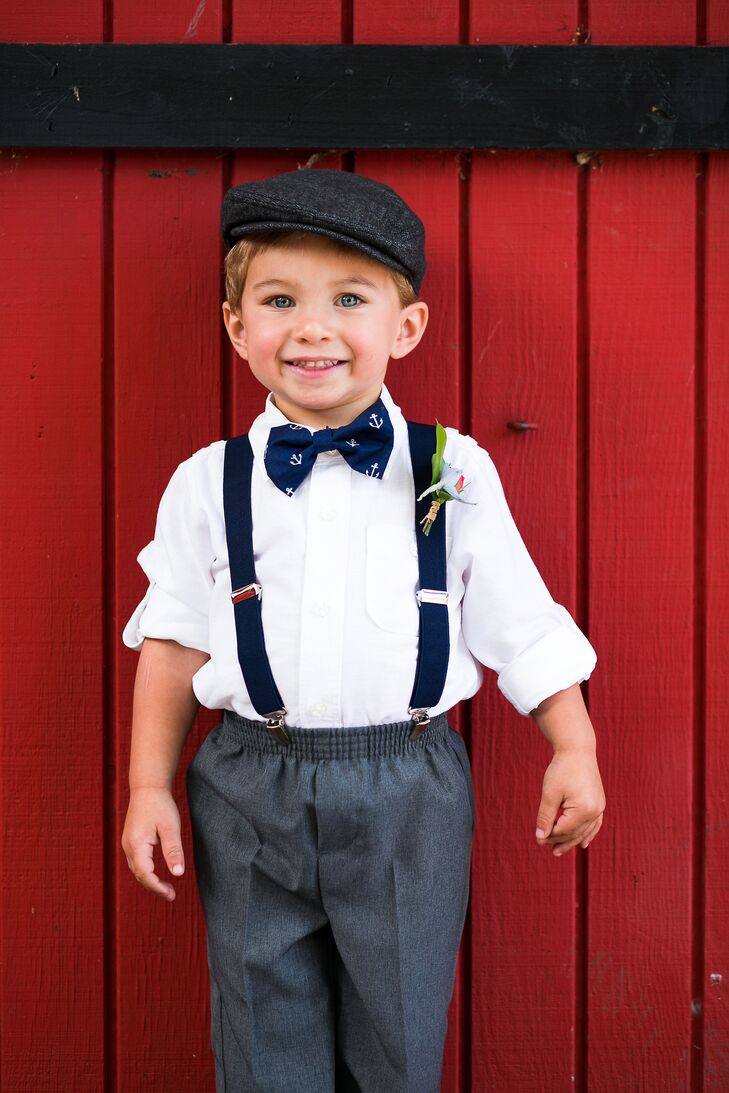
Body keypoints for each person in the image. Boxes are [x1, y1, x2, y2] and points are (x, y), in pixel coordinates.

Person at [120, 167, 606, 1093]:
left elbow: (520, 621)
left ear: (404, 327)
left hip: (407, 788)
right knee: (261, 1031)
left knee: (399, 1030)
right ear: (238, 329)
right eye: (278, 299)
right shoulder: (205, 483)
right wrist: (151, 784)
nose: (311, 326)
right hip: (246, 784)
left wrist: (571, 743)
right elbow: (174, 642)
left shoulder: (449, 470)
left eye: (348, 298)